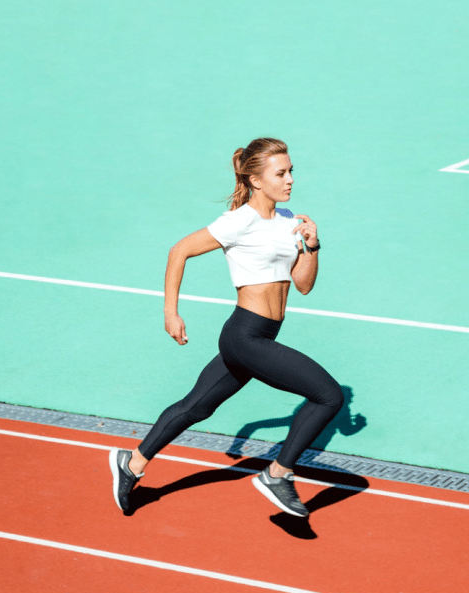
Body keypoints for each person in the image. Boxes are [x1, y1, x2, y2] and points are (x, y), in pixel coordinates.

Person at [110, 137, 344, 517]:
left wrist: (313, 247)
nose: (290, 181)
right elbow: (179, 251)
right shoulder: (239, 221)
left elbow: (302, 285)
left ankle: (132, 462)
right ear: (256, 180)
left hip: (264, 335)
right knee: (328, 396)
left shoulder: (288, 221)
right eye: (280, 174)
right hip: (245, 335)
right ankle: (278, 474)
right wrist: (171, 312)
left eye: (291, 172)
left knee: (196, 406)